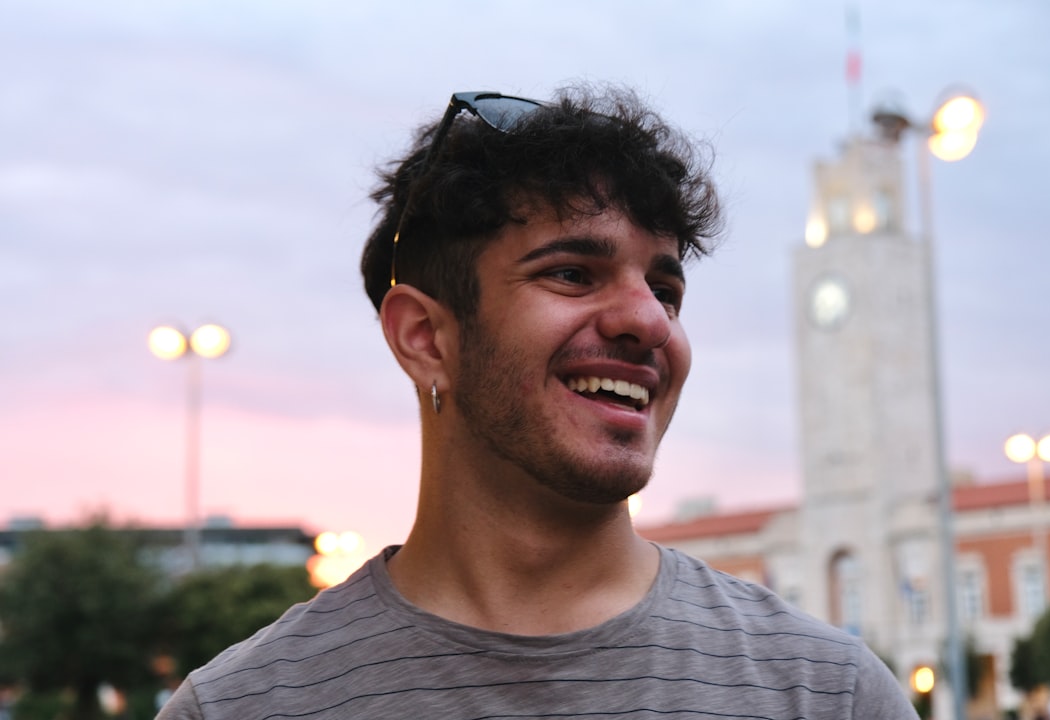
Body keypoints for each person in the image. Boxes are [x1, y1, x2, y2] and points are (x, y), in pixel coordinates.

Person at [157, 85, 917, 719]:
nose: (651, 322)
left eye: (666, 289)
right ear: (424, 336)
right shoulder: (238, 708)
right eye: (573, 274)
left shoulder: (829, 695)